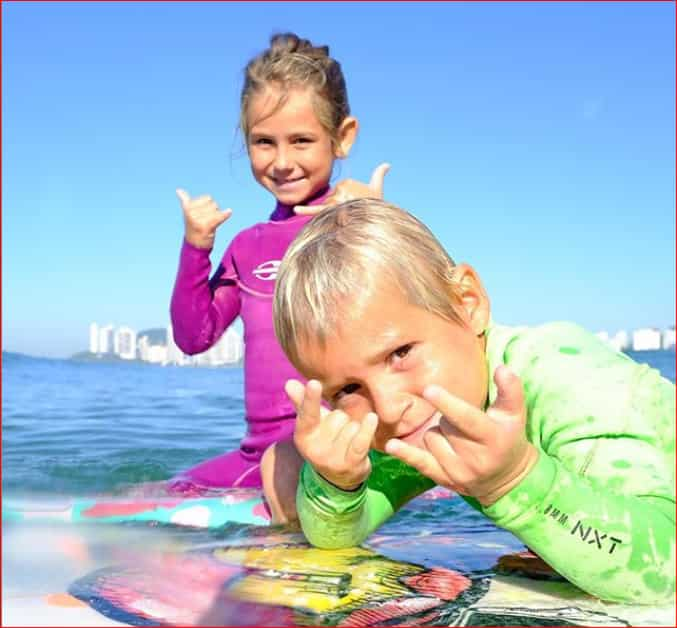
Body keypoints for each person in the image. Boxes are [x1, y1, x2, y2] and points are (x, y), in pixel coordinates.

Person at [262, 198, 675, 604]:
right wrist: (336, 484)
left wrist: (514, 481)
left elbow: (662, 572)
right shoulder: (420, 420)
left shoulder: (565, 378)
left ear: (467, 303)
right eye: (348, 390)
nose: (388, 409)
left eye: (400, 353)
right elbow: (339, 537)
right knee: (286, 466)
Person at [169, 32, 388, 491]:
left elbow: (406, 331)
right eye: (264, 142)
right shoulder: (247, 247)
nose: (282, 161)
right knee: (155, 499)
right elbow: (194, 338)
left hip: (343, 446)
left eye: (302, 140)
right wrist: (195, 248)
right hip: (261, 455)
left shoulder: (354, 221)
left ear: (342, 138)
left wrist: (374, 220)